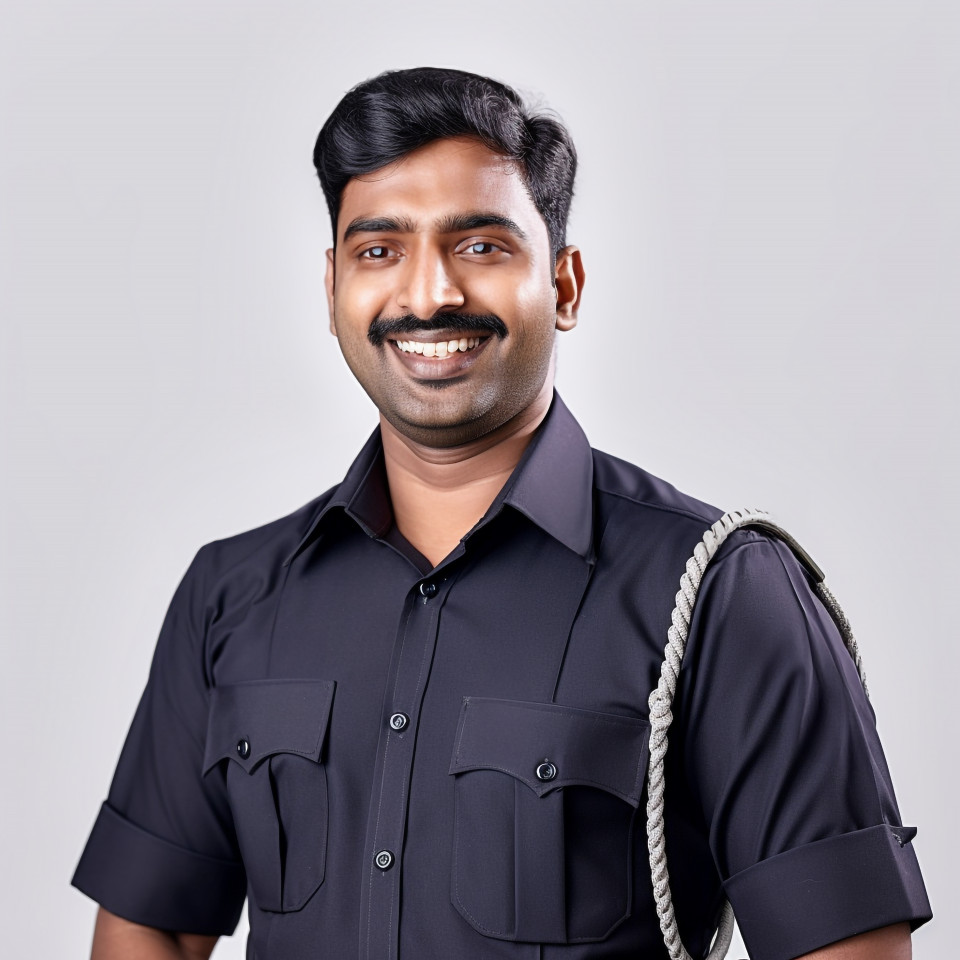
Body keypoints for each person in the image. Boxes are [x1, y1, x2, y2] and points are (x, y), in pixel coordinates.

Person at [72, 67, 931, 960]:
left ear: (564, 285)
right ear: (332, 290)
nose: (428, 295)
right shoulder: (232, 596)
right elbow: (151, 924)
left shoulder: (724, 591)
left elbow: (847, 947)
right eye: (379, 251)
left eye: (480, 246)